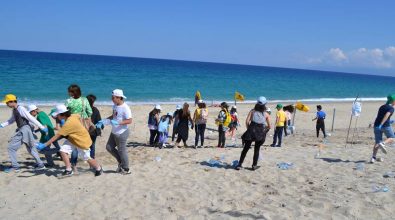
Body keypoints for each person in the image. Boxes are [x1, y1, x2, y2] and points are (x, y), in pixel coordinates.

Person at [36, 104, 102, 177]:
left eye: (57, 115)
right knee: (63, 150)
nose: (56, 117)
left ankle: (98, 168)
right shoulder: (73, 116)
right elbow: (79, 116)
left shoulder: (68, 124)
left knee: (86, 158)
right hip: (73, 139)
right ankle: (69, 169)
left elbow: (56, 136)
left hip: (81, 141)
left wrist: (44, 145)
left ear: (62, 114)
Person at [0, 94, 48, 172]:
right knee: (31, 148)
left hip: (24, 130)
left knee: (11, 148)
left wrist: (42, 127)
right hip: (24, 130)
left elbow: (31, 118)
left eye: (7, 102)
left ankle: (15, 167)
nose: (6, 104)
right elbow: (11, 120)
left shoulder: (20, 108)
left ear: (12, 101)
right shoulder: (15, 110)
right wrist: (2, 125)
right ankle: (41, 165)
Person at [96, 89, 132, 174]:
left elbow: (130, 120)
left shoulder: (125, 108)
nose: (112, 99)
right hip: (114, 132)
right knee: (109, 147)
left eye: (113, 97)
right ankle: (121, 163)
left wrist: (119, 122)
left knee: (122, 151)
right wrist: (103, 121)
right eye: (112, 97)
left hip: (122, 133)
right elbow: (113, 116)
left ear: (119, 97)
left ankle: (126, 169)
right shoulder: (115, 105)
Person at [236, 97, 271, 170]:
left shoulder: (252, 111)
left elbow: (247, 121)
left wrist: (249, 129)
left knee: (245, 148)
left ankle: (239, 164)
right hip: (260, 133)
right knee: (257, 149)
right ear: (265, 104)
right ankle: (254, 165)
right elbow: (269, 126)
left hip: (251, 131)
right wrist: (264, 131)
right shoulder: (266, 114)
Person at [65, 84, 93, 173]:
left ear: (72, 92)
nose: (68, 93)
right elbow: (90, 112)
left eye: (69, 91)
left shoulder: (68, 101)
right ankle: (91, 163)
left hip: (72, 125)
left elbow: (63, 113)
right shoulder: (84, 100)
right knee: (84, 144)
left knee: (74, 145)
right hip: (83, 125)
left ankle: (74, 166)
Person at [370, 94, 395, 163]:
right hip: (385, 125)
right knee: (392, 137)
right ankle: (383, 143)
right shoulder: (391, 108)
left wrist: (375, 124)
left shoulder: (382, 106)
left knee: (377, 142)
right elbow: (387, 115)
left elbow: (379, 116)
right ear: (393, 101)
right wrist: (381, 124)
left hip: (376, 126)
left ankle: (373, 158)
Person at [86, 94, 102, 159]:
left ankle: (88, 157)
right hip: (93, 131)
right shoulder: (95, 110)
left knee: (86, 145)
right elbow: (99, 121)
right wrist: (100, 128)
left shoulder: (83, 110)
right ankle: (92, 158)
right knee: (92, 145)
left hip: (85, 130)